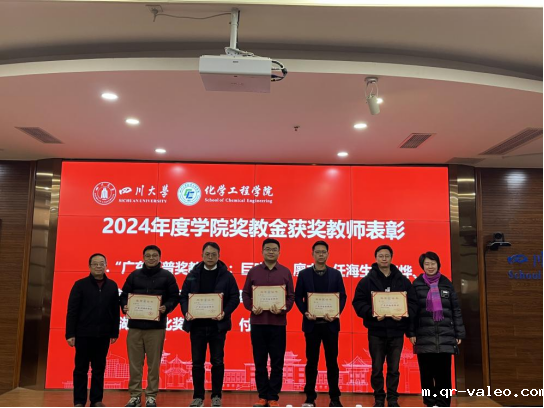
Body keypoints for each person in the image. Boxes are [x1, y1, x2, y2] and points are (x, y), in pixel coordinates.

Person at [352, 245, 417, 408]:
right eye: (381, 256)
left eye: (387, 256)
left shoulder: (402, 280)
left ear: (391, 258)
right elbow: (358, 303)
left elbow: (413, 303)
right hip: (376, 331)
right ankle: (379, 398)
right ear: (376, 258)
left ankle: (393, 399)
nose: (384, 259)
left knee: (394, 368)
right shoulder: (366, 281)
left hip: (396, 331)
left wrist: (404, 314)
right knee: (377, 368)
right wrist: (372, 313)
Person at [180, 242, 241, 408]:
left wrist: (224, 313)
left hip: (217, 326)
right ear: (202, 255)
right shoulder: (192, 274)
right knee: (197, 363)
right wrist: (186, 312)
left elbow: (235, 297)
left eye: (214, 254)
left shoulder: (227, 276)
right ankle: (198, 397)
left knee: (217, 362)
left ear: (219, 256)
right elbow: (184, 296)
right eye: (207, 254)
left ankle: (216, 396)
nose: (210, 257)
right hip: (197, 326)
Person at [120, 245, 180, 408]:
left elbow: (175, 296)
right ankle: (135, 396)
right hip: (135, 326)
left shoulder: (167, 276)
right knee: (135, 363)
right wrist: (124, 306)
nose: (151, 258)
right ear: (143, 258)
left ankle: (151, 395)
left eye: (154, 255)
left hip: (156, 327)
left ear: (160, 258)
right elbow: (124, 296)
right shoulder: (134, 275)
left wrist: (166, 307)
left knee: (154, 364)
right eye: (148, 255)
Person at [242, 239, 295, 408]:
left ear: (279, 252)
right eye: (267, 249)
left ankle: (273, 397)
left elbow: (291, 296)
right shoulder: (253, 272)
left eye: (274, 249)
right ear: (262, 251)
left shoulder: (285, 272)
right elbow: (245, 294)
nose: (271, 252)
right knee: (260, 362)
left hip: (278, 324)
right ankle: (262, 396)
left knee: (277, 362)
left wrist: (283, 308)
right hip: (258, 323)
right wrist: (252, 307)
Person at [409, 252, 466, 408]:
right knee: (426, 374)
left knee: (444, 375)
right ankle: (430, 402)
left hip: (445, 335)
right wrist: (411, 332)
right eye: (427, 264)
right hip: (424, 336)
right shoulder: (416, 285)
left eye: (433, 263)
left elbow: (455, 310)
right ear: (422, 266)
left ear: (438, 264)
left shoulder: (447, 284)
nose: (430, 266)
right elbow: (412, 311)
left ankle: (443, 403)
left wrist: (459, 333)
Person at [295, 241, 347, 408]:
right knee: (312, 362)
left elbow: (342, 296)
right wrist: (305, 312)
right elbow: (298, 297)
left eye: (323, 252)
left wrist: (335, 313)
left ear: (328, 254)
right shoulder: (304, 274)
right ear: (312, 254)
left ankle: (335, 398)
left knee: (332, 362)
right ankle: (310, 398)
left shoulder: (336, 274)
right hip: (312, 325)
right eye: (317, 252)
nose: (321, 255)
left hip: (330, 325)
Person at [66, 253, 120, 408]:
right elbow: (72, 311)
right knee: (81, 369)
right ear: (89, 266)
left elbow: (115, 311)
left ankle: (96, 400)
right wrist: (70, 333)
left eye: (101, 263)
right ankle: (79, 401)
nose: (98, 266)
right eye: (95, 264)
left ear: (106, 265)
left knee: (99, 368)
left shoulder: (112, 286)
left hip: (103, 334)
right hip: (83, 334)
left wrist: (114, 332)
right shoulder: (80, 285)